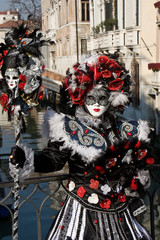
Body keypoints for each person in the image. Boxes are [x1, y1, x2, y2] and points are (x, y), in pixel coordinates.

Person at [10, 54, 155, 240]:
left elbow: (138, 168)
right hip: (81, 214)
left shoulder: (125, 130)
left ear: (112, 98)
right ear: (80, 95)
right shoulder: (69, 128)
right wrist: (26, 158)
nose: (96, 103)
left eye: (102, 97)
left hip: (120, 213)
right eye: (91, 97)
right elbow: (53, 160)